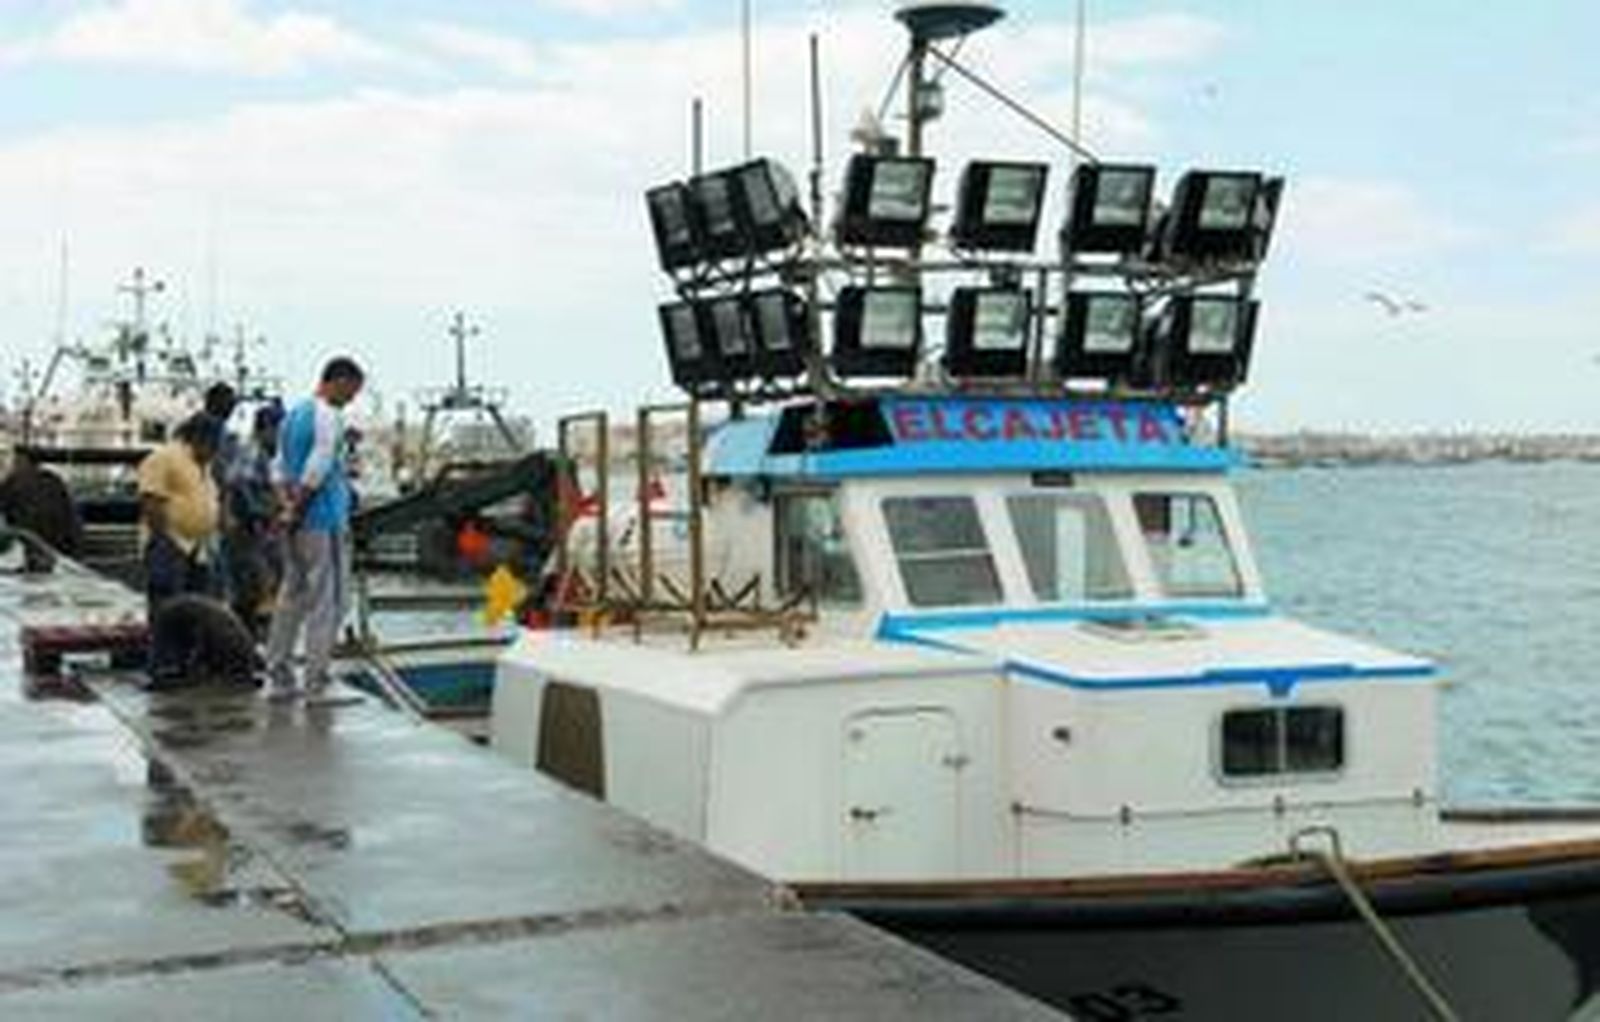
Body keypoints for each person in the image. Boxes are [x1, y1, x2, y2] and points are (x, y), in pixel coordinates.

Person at [264, 357, 365, 702]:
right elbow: (319, 464)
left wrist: (286, 506)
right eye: (352, 391)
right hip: (323, 521)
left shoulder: (292, 417)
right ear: (338, 381)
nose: (351, 399)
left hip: (295, 523)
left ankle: (278, 675)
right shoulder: (327, 415)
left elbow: (277, 467)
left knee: (290, 595)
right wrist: (299, 507)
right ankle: (316, 682)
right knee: (330, 601)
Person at [137, 413, 222, 683]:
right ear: (198, 437)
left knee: (196, 609)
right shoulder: (164, 457)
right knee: (167, 607)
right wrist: (163, 539)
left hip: (197, 547)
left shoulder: (203, 464)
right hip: (170, 544)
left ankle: (187, 663)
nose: (216, 450)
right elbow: (151, 499)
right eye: (214, 443)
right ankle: (163, 666)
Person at [222, 401, 284, 638]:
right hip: (247, 534)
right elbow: (239, 484)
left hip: (261, 534)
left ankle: (260, 642)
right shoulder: (252, 451)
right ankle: (248, 644)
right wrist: (264, 513)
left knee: (263, 588)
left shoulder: (270, 456)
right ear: (265, 429)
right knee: (250, 592)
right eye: (279, 430)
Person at [0, 450, 84, 573]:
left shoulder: (15, 481)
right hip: (60, 544)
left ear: (23, 461)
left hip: (36, 538)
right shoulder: (53, 480)